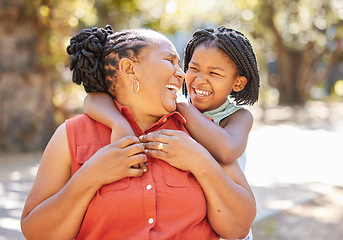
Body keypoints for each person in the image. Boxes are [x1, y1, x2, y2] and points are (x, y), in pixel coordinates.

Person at [21, 25, 256, 240]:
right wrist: (90, 176)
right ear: (129, 68)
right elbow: (36, 232)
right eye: (169, 60)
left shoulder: (200, 133)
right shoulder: (71, 136)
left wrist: (200, 161)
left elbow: (239, 227)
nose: (182, 74)